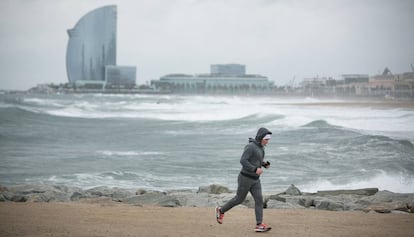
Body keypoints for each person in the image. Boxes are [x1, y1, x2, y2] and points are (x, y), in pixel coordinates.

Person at [215, 127, 272, 232]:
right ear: (261, 138)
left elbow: (255, 159)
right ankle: (221, 210)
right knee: (239, 199)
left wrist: (263, 164)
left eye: (268, 139)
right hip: (245, 178)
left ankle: (259, 224)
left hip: (255, 180)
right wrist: (255, 169)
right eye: (266, 139)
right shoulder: (250, 147)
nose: (268, 141)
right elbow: (243, 161)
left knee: (259, 200)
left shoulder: (261, 147)